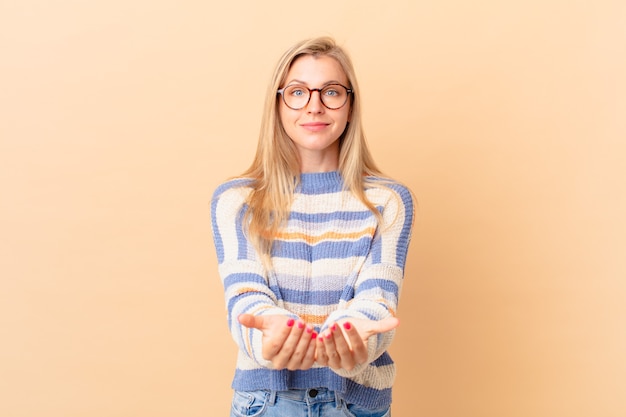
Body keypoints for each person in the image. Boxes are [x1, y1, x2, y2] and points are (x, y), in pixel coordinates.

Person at [210, 36, 414, 417]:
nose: (314, 106)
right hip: (267, 403)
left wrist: (349, 337)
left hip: (357, 403)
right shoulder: (236, 201)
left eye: (331, 92)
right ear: (278, 105)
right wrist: (274, 332)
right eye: (298, 92)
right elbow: (245, 296)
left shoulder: (388, 201)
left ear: (350, 106)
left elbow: (378, 299)